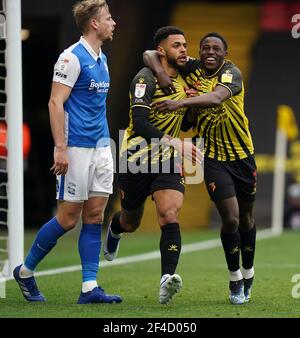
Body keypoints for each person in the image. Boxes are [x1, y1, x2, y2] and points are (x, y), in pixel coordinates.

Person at [13, 0, 122, 305]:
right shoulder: (71, 58)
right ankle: (25, 271)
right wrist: (60, 148)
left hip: (101, 147)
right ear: (94, 24)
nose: (114, 23)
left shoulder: (102, 58)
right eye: (109, 18)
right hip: (75, 148)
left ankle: (90, 287)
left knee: (96, 214)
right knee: (67, 218)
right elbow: (54, 103)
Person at [144, 32, 257, 305]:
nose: (209, 52)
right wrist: (160, 73)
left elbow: (217, 98)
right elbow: (149, 54)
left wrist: (180, 102)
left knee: (246, 219)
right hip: (215, 160)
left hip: (243, 156)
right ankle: (234, 279)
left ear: (224, 54)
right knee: (230, 218)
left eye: (216, 49)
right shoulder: (193, 68)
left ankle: (248, 270)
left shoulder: (231, 73)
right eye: (205, 47)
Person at [103, 26, 201, 304]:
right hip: (136, 159)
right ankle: (115, 228)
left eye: (185, 44)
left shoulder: (183, 79)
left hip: (168, 160)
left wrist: (191, 105)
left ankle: (166, 279)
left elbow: (185, 124)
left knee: (169, 214)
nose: (184, 49)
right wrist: (177, 143)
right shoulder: (145, 78)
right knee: (131, 221)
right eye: (177, 45)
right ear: (161, 51)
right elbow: (142, 123)